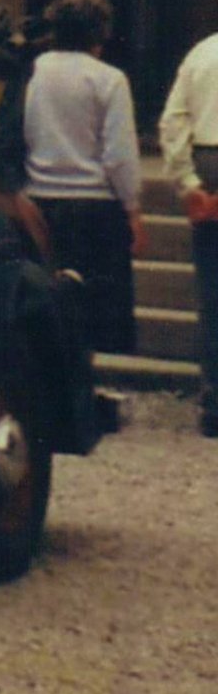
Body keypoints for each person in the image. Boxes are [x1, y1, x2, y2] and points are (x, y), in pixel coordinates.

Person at [22, 0, 144, 355]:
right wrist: (133, 209)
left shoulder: (33, 72)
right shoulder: (108, 79)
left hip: (39, 202)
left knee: (45, 313)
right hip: (94, 208)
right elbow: (119, 154)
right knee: (98, 317)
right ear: (99, 33)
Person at [159, 28, 218, 434]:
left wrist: (188, 181)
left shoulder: (203, 53)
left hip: (209, 161)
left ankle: (215, 401)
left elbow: (172, 120)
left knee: (213, 291)